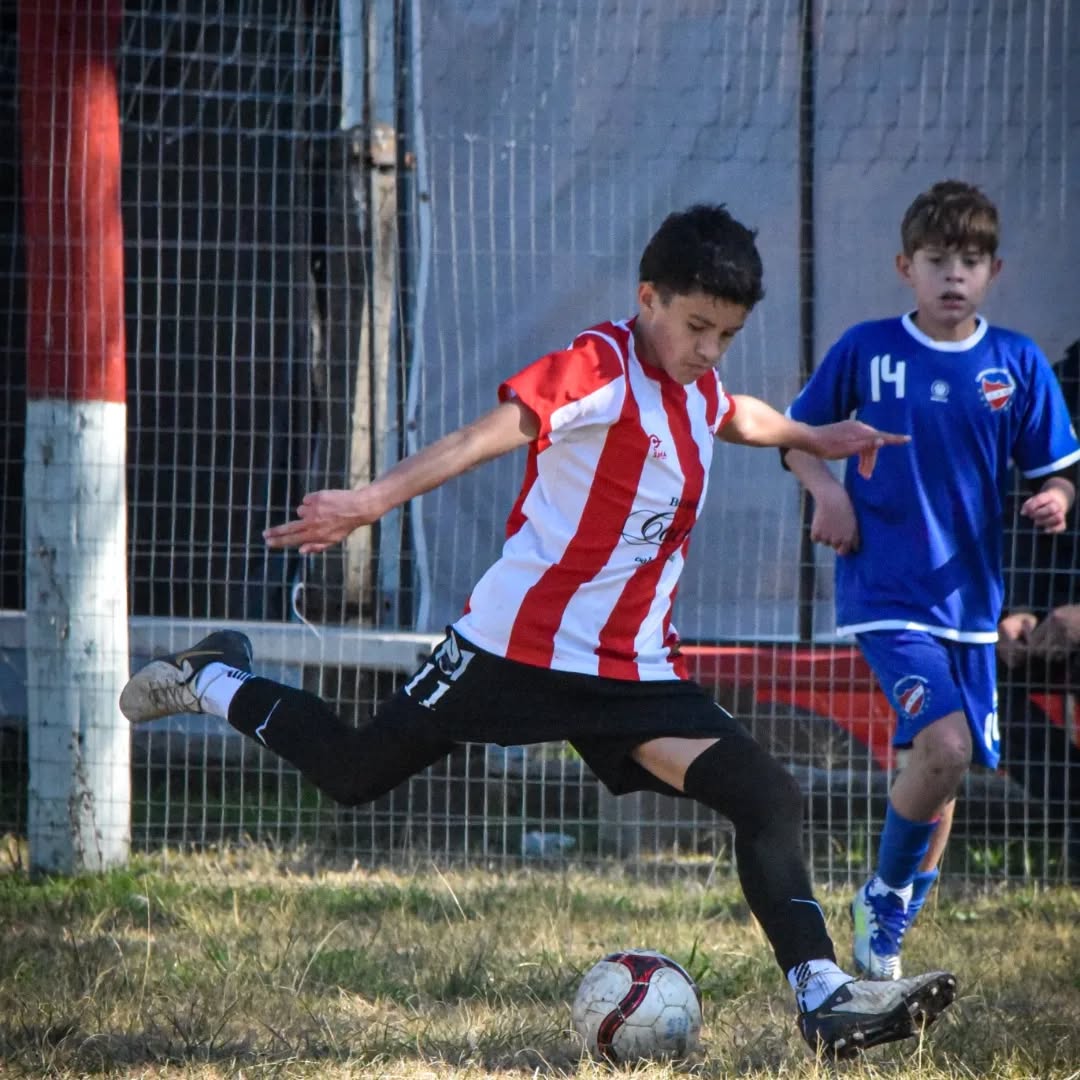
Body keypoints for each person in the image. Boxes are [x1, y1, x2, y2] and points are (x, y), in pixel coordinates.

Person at [120, 203, 956, 1059]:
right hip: (511, 651)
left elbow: (734, 412)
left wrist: (812, 433)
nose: (709, 348)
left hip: (632, 673)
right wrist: (368, 503)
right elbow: (482, 437)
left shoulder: (697, 385)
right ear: (648, 299)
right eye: (697, 326)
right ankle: (213, 675)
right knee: (353, 771)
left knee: (766, 794)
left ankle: (825, 998)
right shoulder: (598, 364)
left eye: (727, 334)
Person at [783, 181, 1080, 982]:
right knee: (946, 746)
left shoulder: (1015, 363)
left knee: (938, 767)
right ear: (904, 267)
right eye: (938, 259)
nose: (955, 274)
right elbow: (797, 437)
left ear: (994, 270)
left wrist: (1055, 497)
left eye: (971, 260)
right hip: (886, 594)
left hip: (972, 608)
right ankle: (883, 893)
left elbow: (1059, 471)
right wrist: (829, 490)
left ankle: (889, 927)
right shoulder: (867, 349)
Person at [997, 339, 1080, 871]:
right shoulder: (1056, 386)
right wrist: (1015, 607)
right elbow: (1015, 504)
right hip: (1048, 614)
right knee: (972, 677)